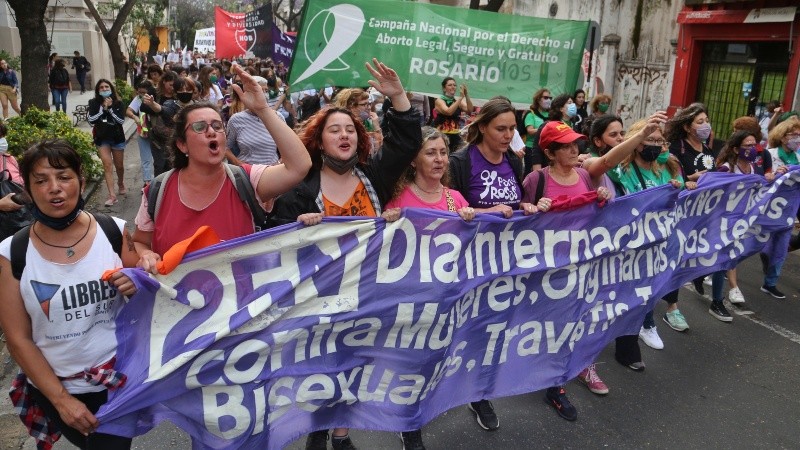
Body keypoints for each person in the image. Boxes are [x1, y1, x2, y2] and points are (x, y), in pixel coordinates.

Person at [266, 59, 421, 450]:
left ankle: (342, 433)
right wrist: (295, 227)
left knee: (356, 367)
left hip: (368, 297)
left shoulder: (375, 176)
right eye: (334, 130)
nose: (344, 135)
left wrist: (398, 97)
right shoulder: (300, 187)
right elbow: (272, 242)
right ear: (319, 140)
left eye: (350, 129)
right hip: (317, 302)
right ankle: (317, 430)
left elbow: (406, 143)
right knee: (319, 370)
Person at [0, 139, 140, 450]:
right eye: (41, 180)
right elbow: (18, 338)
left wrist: (137, 282)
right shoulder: (13, 253)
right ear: (29, 189)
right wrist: (62, 401)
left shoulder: (113, 231)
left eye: (64, 177)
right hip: (55, 388)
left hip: (118, 382)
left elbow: (149, 297)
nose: (54, 188)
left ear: (80, 178)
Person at [132, 63, 311, 261]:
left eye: (217, 126)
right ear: (182, 145)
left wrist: (262, 110)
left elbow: (299, 167)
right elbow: (140, 242)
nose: (211, 131)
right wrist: (147, 255)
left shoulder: (247, 181)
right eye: (200, 127)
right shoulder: (157, 191)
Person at [380, 127, 475, 450]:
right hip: (411, 301)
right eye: (430, 153)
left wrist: (474, 219)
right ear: (414, 160)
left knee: (436, 360)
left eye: (443, 153)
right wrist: (388, 223)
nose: (439, 159)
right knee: (411, 365)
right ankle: (409, 425)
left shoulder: (456, 199)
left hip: (445, 299)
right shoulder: (399, 199)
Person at [447, 97, 536, 431]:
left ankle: (478, 392)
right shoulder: (460, 162)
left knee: (492, 328)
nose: (508, 135)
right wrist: (486, 212)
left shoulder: (514, 161)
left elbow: (515, 205)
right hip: (467, 262)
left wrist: (529, 206)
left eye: (512, 128)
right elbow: (450, 211)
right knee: (460, 328)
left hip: (504, 262)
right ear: (482, 127)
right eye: (501, 128)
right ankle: (442, 389)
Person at [613, 119, 695, 350]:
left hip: (659, 240)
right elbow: (599, 164)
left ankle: (646, 322)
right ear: (637, 143)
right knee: (631, 287)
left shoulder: (665, 170)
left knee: (652, 284)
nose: (657, 145)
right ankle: (636, 324)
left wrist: (683, 187)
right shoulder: (623, 170)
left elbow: (679, 192)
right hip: (631, 241)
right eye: (651, 139)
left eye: (660, 141)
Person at [666, 103, 715, 295]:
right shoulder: (676, 148)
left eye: (707, 121)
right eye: (700, 122)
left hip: (703, 210)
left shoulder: (708, 150)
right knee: (676, 258)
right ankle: (671, 303)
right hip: (682, 211)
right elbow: (671, 177)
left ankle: (698, 275)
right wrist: (689, 179)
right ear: (687, 127)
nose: (705, 125)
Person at [761, 116, 800, 298]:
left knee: (782, 245)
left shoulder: (799, 157)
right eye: (794, 135)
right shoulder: (771, 154)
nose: (797, 139)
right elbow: (761, 179)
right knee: (756, 242)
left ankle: (770, 283)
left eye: (799, 135)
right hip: (768, 209)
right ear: (783, 136)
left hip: (789, 210)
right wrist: (775, 174)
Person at [226, 76, 281, 166]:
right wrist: (240, 164)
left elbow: (289, 148)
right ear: (248, 94)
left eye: (266, 91)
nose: (264, 94)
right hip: (247, 173)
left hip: (273, 172)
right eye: (259, 91)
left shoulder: (278, 117)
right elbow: (225, 147)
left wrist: (279, 163)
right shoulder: (236, 120)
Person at [88, 79, 126, 207]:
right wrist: (103, 108)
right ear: (98, 90)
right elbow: (91, 120)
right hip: (102, 137)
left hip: (117, 137)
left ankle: (120, 182)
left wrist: (110, 109)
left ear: (111, 88)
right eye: (101, 87)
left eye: (106, 86)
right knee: (107, 165)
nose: (104, 89)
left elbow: (121, 121)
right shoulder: (93, 103)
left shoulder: (118, 103)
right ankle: (112, 195)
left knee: (119, 166)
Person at [530, 93, 578, 171]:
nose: (573, 105)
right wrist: (537, 172)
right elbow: (537, 150)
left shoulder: (573, 126)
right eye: (569, 103)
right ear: (561, 108)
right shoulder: (548, 125)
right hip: (549, 168)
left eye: (573, 103)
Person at [126, 80, 157, 187]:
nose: (142, 95)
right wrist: (135, 117)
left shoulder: (156, 98)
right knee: (146, 159)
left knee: (159, 159)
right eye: (139, 92)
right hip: (143, 132)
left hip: (157, 133)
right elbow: (128, 111)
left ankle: (159, 182)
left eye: (144, 92)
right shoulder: (138, 99)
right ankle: (147, 182)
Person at [335, 88, 383, 155]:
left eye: (369, 104)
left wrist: (377, 128)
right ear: (351, 107)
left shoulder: (368, 123)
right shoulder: (343, 125)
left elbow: (380, 152)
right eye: (364, 105)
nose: (369, 108)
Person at [433, 77, 473, 152]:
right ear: (444, 88)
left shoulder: (457, 101)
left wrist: (466, 95)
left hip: (454, 134)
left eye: (454, 85)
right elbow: (448, 112)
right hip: (442, 135)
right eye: (450, 85)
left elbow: (470, 110)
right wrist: (460, 98)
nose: (453, 87)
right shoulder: (439, 100)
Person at [522, 88, 551, 174]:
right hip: (531, 148)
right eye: (545, 98)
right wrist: (544, 128)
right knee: (531, 174)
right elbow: (530, 131)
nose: (548, 100)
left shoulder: (551, 114)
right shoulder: (531, 114)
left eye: (550, 98)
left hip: (546, 149)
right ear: (538, 99)